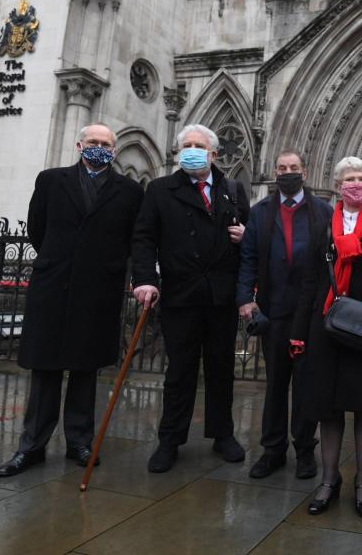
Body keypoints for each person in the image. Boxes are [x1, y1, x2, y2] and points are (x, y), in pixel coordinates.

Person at [0, 124, 143, 477]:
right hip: (54, 286)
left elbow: (131, 238)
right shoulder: (51, 180)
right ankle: (31, 445)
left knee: (85, 369)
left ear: (114, 149)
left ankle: (79, 441)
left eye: (106, 144)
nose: (100, 148)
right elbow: (37, 229)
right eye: (93, 142)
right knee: (45, 369)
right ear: (80, 145)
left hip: (97, 290)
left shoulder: (129, 191)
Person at [289, 156, 362, 518]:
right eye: (349, 179)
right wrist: (298, 333)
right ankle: (329, 480)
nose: (356, 184)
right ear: (338, 185)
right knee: (329, 408)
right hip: (326, 327)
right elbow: (310, 282)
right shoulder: (323, 226)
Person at [131, 123, 250, 473]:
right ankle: (170, 439)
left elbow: (250, 237)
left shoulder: (232, 189)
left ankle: (222, 434)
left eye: (199, 146)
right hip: (181, 294)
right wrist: (144, 280)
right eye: (187, 146)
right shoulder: (160, 189)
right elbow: (143, 237)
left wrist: (246, 236)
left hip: (220, 296)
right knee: (179, 371)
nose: (193, 151)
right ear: (178, 152)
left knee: (221, 369)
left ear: (213, 154)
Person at [237, 150, 331, 480]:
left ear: (304, 172)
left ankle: (305, 450)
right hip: (273, 311)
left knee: (306, 385)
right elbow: (248, 258)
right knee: (275, 384)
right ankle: (272, 450)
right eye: (282, 168)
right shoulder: (260, 212)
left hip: (308, 314)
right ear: (274, 172)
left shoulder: (323, 211)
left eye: (293, 168)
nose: (287, 172)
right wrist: (245, 300)